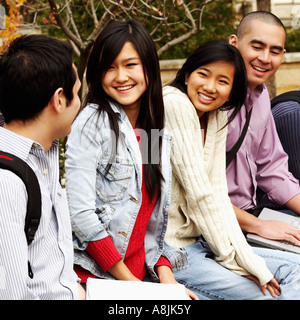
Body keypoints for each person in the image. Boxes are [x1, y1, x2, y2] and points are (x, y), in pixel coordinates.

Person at [65, 19, 197, 300]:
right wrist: (137, 289)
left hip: (141, 277)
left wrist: (166, 276)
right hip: (96, 278)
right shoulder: (92, 123)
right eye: (109, 67)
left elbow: (147, 221)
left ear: (149, 66)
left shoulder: (149, 132)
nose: (120, 76)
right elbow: (81, 217)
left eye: (130, 65)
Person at [163, 39, 300, 300]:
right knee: (266, 294)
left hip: (204, 240)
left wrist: (242, 258)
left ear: (232, 90)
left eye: (223, 82)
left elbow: (216, 191)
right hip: (173, 250)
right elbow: (200, 195)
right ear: (187, 73)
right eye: (203, 74)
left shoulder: (215, 116)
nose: (210, 87)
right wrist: (240, 262)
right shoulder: (174, 103)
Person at [0, 35, 85, 299]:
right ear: (59, 99)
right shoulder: (7, 182)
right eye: (78, 92)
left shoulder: (44, 153)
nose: (80, 103)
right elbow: (12, 294)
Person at [227, 11, 300, 246]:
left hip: (251, 215)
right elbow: (197, 195)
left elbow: (271, 168)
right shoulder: (209, 100)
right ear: (234, 44)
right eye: (257, 47)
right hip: (218, 226)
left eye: (275, 51)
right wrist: (259, 226)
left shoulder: (260, 96)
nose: (265, 58)